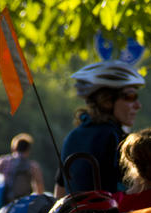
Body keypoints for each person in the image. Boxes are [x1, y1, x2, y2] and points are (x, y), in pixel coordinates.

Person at [54, 60, 144, 198]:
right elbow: (138, 189)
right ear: (107, 101)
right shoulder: (118, 138)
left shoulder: (73, 136)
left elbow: (60, 192)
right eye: (130, 97)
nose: (138, 105)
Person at [0, 132, 45, 199]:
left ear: (14, 148)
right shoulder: (33, 166)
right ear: (28, 150)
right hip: (25, 204)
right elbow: (39, 190)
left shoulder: (4, 161)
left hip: (6, 203)